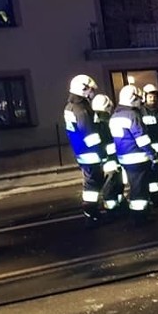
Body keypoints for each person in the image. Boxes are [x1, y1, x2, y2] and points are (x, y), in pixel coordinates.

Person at [109, 85, 156, 224]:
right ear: (133, 99)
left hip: (124, 157)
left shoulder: (115, 115)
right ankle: (139, 217)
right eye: (139, 99)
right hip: (138, 157)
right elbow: (141, 138)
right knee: (139, 189)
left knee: (134, 186)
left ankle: (138, 214)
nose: (140, 102)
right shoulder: (133, 115)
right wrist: (152, 153)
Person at [63, 74, 106, 226]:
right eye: (91, 90)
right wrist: (101, 153)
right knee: (93, 185)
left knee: (91, 184)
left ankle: (92, 212)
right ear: (83, 89)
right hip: (90, 153)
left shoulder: (70, 107)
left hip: (80, 151)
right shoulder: (82, 109)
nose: (92, 93)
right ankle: (92, 214)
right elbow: (89, 134)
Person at [91, 93, 125, 213]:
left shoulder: (93, 121)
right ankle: (113, 207)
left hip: (105, 158)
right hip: (110, 158)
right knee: (112, 182)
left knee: (113, 181)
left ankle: (117, 204)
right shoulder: (105, 122)